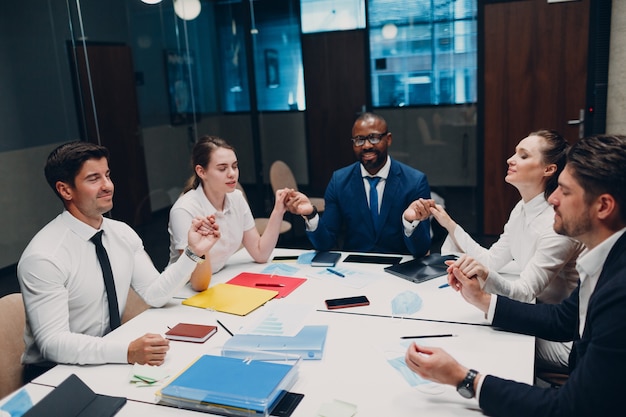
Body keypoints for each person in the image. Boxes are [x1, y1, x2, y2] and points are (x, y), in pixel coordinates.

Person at [405, 134, 626, 417]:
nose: (553, 199)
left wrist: (464, 379)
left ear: (604, 206)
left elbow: (569, 407)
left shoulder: (618, 294)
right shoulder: (603, 258)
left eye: (565, 192)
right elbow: (562, 320)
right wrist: (482, 300)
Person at [17, 141, 218, 382]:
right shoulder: (45, 256)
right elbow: (53, 344)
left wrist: (193, 253)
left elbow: (154, 294)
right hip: (54, 374)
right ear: (65, 190)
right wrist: (127, 351)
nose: (108, 186)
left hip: (106, 357)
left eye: (107, 175)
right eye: (94, 179)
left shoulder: (121, 233)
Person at [430, 129, 584, 370]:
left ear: (548, 169)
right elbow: (492, 259)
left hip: (563, 335)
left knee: (474, 342)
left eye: (523, 156)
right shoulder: (522, 208)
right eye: (515, 153)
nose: (510, 160)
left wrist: (484, 276)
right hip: (535, 313)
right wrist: (449, 224)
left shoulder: (556, 224)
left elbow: (524, 293)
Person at [286, 112, 433, 256]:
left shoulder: (414, 181)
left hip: (400, 268)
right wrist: (311, 215)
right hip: (356, 269)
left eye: (374, 138)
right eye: (359, 140)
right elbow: (326, 243)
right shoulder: (340, 181)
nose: (366, 146)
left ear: (388, 139)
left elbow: (421, 249)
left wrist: (409, 222)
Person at [168, 135, 290, 291]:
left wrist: (278, 210)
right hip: (183, 291)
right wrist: (201, 248)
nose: (232, 173)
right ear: (201, 171)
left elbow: (260, 253)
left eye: (235, 166)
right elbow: (198, 283)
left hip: (217, 280)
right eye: (222, 168)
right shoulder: (184, 210)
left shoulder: (236, 198)